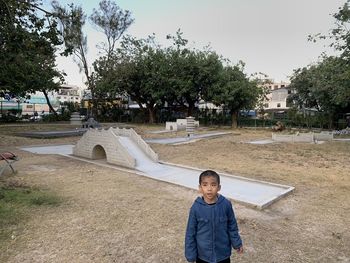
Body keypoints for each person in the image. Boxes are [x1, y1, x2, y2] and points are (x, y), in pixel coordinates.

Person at [185, 170, 243, 263]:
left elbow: (232, 226)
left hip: (223, 254)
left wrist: (237, 243)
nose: (209, 189)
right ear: (200, 188)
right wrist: (190, 254)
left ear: (219, 187)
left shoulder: (226, 204)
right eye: (205, 185)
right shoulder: (196, 208)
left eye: (213, 185)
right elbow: (190, 233)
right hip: (203, 255)